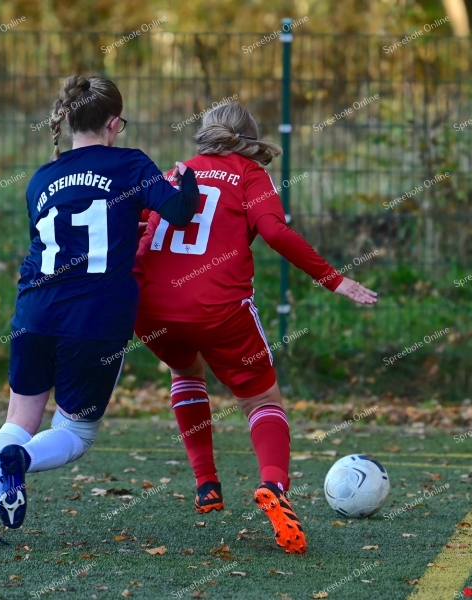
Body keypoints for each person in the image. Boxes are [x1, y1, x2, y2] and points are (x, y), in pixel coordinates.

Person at [0, 75, 199, 546]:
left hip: (34, 312)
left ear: (67, 120)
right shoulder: (131, 165)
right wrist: (186, 179)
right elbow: (180, 212)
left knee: (16, 422)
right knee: (76, 432)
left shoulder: (42, 177)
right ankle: (20, 462)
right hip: (95, 318)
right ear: (113, 123)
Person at [133, 102, 377, 554]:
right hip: (217, 307)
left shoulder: (177, 171)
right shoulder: (248, 174)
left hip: (148, 306)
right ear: (249, 137)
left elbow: (138, 222)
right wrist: (335, 279)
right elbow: (275, 232)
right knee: (262, 400)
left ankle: (207, 485)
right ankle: (275, 490)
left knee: (186, 373)